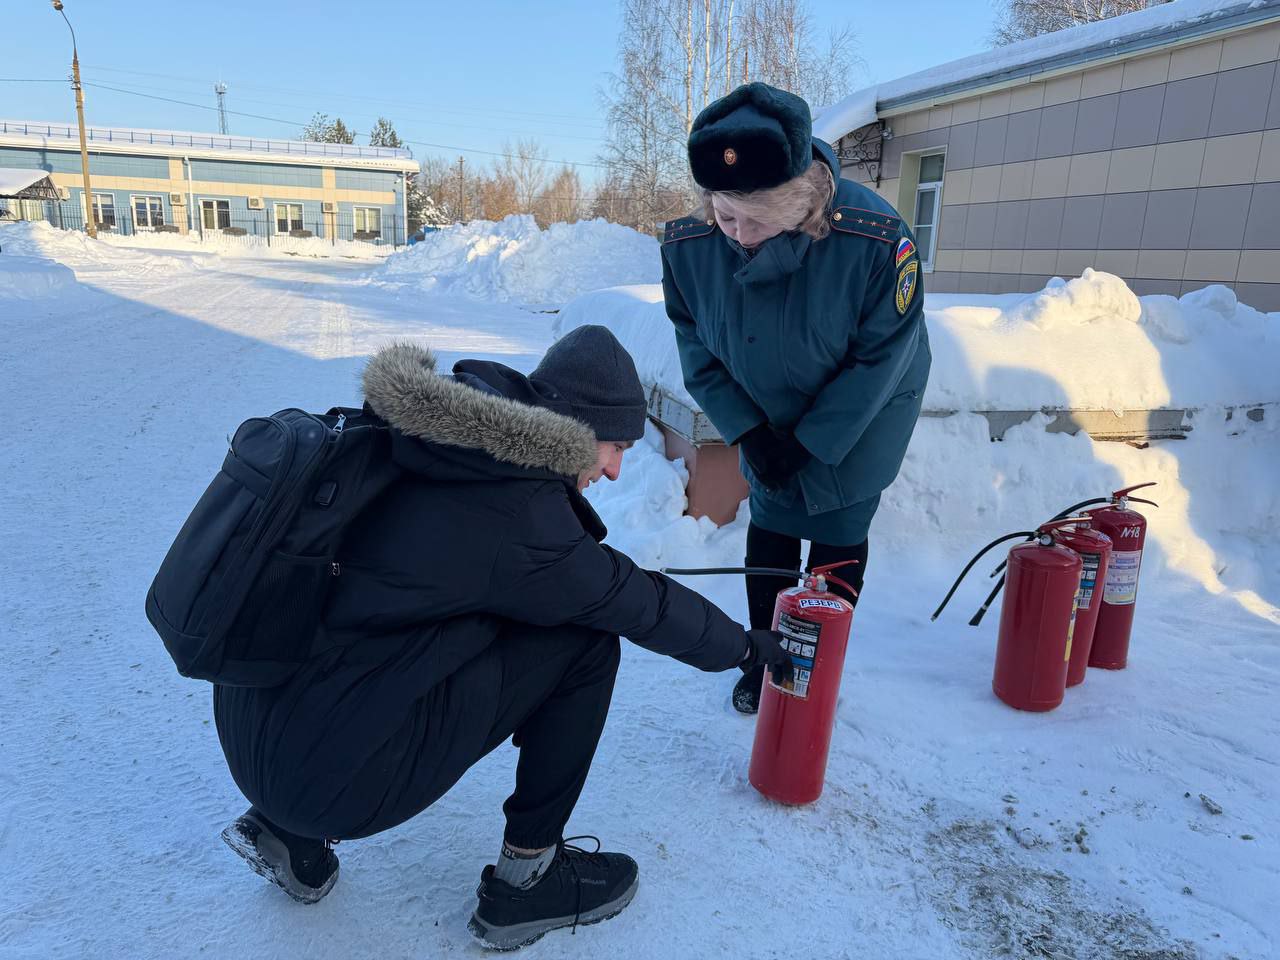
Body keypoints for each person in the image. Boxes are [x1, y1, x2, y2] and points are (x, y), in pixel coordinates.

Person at [212, 325, 791, 951]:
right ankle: (527, 883)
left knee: (483, 618)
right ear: (574, 425)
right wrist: (741, 646)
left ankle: (287, 833)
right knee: (586, 646)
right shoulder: (516, 513)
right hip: (331, 779)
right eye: (614, 446)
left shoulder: (427, 438)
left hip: (253, 728)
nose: (616, 469)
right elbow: (633, 601)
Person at [660, 82, 931, 714]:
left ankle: (815, 660)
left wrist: (812, 441)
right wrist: (750, 434)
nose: (737, 234)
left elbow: (880, 358)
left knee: (837, 526)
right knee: (774, 522)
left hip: (862, 415)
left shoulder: (875, 240)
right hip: (763, 410)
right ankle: (764, 657)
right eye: (725, 214)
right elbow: (696, 348)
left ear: (802, 200)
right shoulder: (691, 247)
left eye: (756, 219)